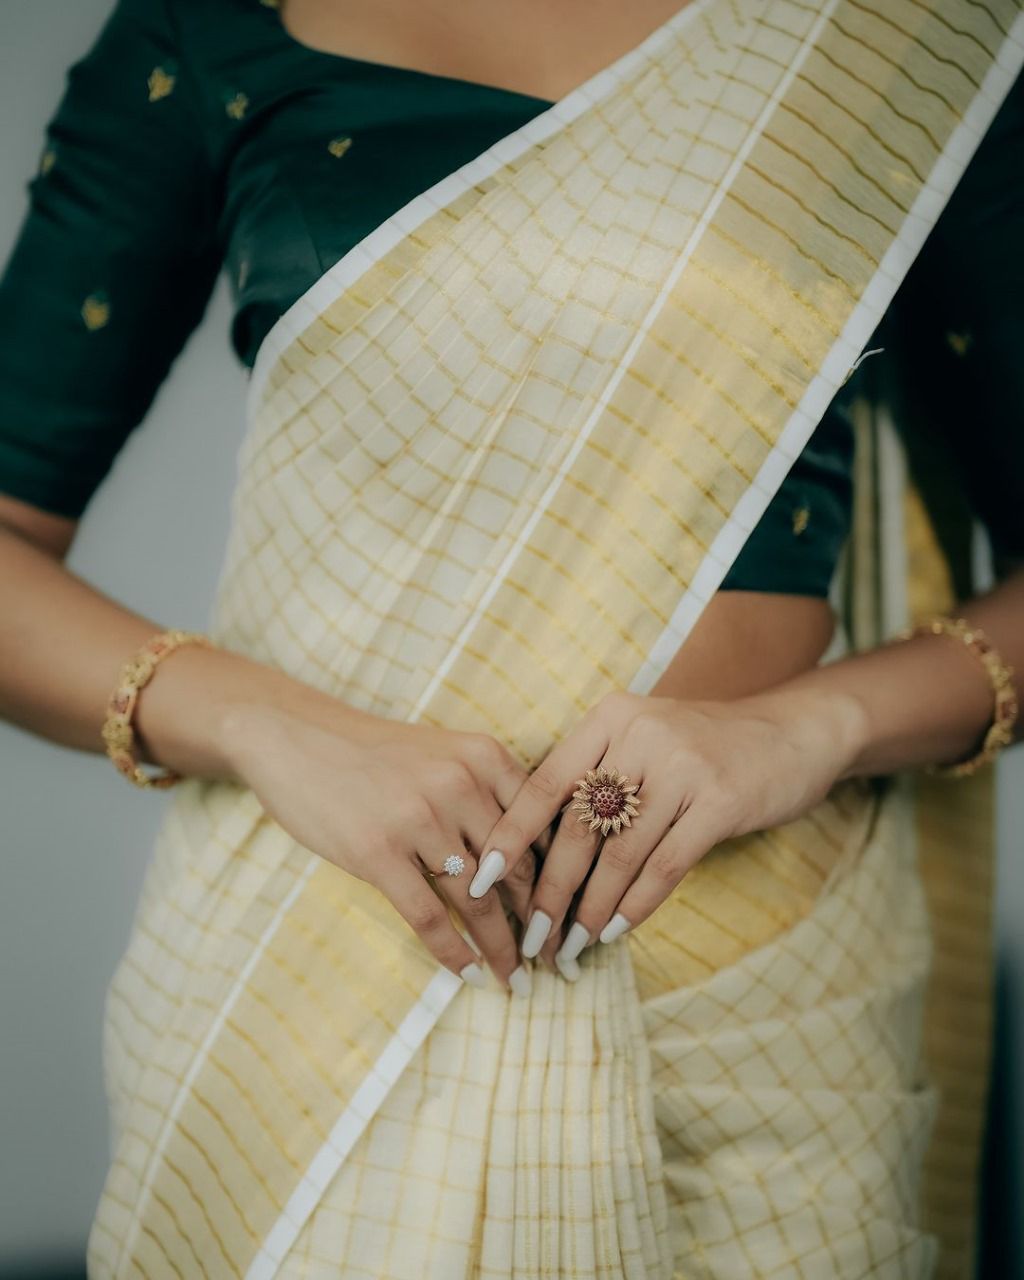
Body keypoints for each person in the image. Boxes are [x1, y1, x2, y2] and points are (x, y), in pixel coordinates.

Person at [0, 0, 1021, 1275]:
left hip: (760, 997)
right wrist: (271, 727)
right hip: (306, 981)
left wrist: (802, 726)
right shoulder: (208, 31)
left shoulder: (887, 36)